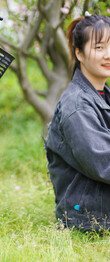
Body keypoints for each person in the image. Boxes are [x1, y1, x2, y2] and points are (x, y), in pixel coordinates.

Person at [45, 14, 110, 231]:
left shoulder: (102, 94)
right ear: (79, 53)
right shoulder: (77, 105)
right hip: (90, 215)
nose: (108, 55)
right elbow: (103, 163)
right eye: (99, 47)